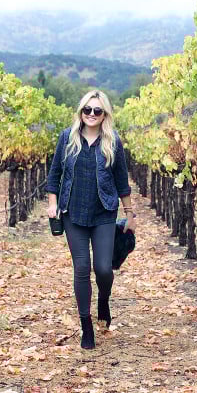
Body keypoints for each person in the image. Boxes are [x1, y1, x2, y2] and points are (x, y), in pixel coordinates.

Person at [47, 90, 136, 349]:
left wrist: (129, 214)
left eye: (97, 110)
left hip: (104, 213)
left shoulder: (112, 141)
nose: (92, 115)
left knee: (104, 269)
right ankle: (86, 326)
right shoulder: (67, 138)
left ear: (105, 114)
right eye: (88, 109)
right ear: (81, 112)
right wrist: (53, 204)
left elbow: (121, 180)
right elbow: (54, 175)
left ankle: (104, 300)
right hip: (73, 213)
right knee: (82, 268)